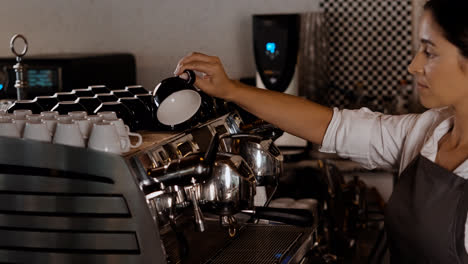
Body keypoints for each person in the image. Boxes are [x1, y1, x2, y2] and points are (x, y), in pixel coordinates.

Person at [173, 0, 468, 262]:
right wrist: (231, 90)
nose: (413, 65)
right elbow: (330, 125)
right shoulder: (429, 131)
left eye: (429, 52)